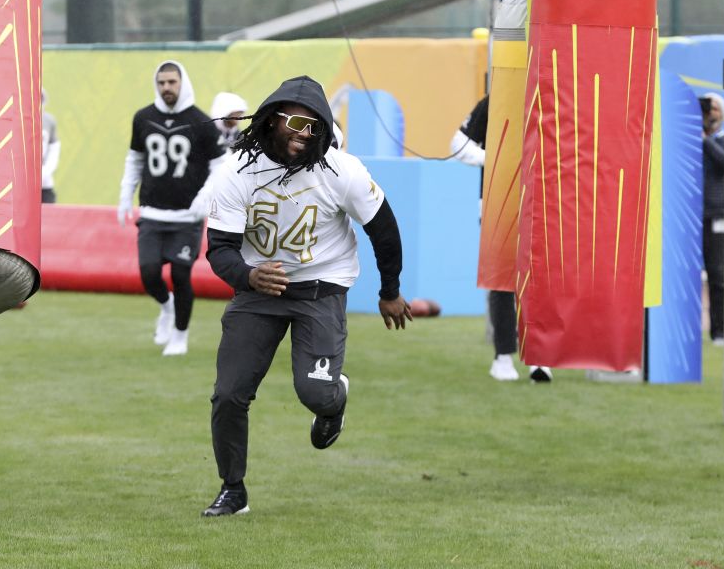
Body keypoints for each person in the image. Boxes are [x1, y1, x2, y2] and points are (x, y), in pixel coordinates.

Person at [199, 75, 411, 517]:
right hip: (260, 287)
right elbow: (218, 249)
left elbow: (384, 230)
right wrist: (248, 276)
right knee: (229, 394)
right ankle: (233, 489)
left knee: (315, 392)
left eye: (316, 126)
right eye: (296, 121)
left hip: (321, 286)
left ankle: (334, 400)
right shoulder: (238, 170)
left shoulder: (340, 169)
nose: (305, 133)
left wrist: (389, 291)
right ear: (272, 120)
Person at [118, 60, 225, 356]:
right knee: (149, 273)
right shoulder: (143, 117)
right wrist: (125, 194)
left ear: (182, 83)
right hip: (152, 212)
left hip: (186, 215)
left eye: (172, 82)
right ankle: (167, 308)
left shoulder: (201, 122)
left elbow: (220, 165)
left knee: (181, 274)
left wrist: (205, 195)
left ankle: (180, 335)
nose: (167, 88)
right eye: (162, 82)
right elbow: (135, 160)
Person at [450, 95, 552, 383]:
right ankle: (503, 356)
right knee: (503, 282)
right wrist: (495, 159)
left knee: (539, 282)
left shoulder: (552, 97)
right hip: (497, 203)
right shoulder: (495, 101)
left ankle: (539, 358)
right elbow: (458, 144)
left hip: (542, 204)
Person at [701, 93, 724, 346]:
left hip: (716, 215)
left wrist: (705, 140)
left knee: (717, 275)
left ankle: (719, 331)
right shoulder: (689, 139)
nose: (711, 112)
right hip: (689, 216)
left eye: (715, 108)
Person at [41, 89, 61, 203]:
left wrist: (44, 173)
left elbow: (54, 150)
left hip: (44, 185)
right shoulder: (18, 120)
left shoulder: (49, 121)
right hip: (22, 185)